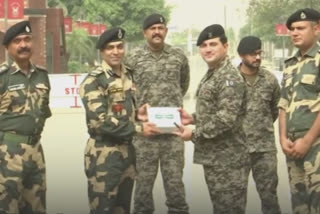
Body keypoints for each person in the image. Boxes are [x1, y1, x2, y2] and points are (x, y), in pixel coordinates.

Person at [80, 27, 161, 214]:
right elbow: (100, 122)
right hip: (103, 156)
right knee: (103, 209)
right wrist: (139, 128)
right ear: (102, 51)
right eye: (110, 48)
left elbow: (122, 111)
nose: (116, 52)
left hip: (127, 153)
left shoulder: (128, 74)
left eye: (119, 46)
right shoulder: (94, 80)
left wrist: (138, 114)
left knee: (122, 208)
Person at [175, 24, 249, 214]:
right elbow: (215, 111)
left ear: (226, 46)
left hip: (228, 161)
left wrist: (193, 134)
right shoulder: (214, 74)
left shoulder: (228, 77)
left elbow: (225, 119)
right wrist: (192, 118)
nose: (207, 49)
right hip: (216, 159)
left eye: (213, 44)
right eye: (204, 45)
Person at [125, 13, 190, 214]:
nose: (157, 32)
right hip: (145, 135)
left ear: (166, 31)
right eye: (152, 29)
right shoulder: (133, 59)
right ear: (145, 33)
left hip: (173, 134)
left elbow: (183, 85)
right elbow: (126, 92)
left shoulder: (178, 56)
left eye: (160, 28)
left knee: (175, 188)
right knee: (143, 189)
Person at [0, 20, 51, 213]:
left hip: (36, 152)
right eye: (17, 41)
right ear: (8, 47)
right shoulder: (3, 77)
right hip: (7, 154)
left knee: (37, 206)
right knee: (8, 207)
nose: (23, 45)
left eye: (27, 39)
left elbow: (43, 112)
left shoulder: (42, 76)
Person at [278, 8, 320, 214]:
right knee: (299, 205)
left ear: (317, 29)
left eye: (301, 28)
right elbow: (283, 104)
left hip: (316, 146)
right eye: (292, 29)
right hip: (293, 147)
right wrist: (283, 138)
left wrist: (307, 140)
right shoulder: (289, 65)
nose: (295, 32)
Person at [237, 36, 281, 214]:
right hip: (237, 149)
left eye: (259, 53)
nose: (257, 58)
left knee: (269, 197)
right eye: (252, 54)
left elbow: (275, 109)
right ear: (241, 55)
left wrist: (261, 127)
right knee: (235, 199)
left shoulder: (269, 80)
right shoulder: (230, 80)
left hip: (264, 150)